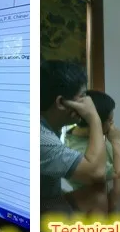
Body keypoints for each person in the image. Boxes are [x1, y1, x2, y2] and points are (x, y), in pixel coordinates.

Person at [40, 60, 108, 199]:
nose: (89, 103)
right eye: (82, 96)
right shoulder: (40, 137)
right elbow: (96, 173)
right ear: (61, 103)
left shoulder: (48, 129)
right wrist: (94, 117)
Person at [63, 90, 120, 189]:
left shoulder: (92, 138)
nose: (112, 125)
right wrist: (116, 142)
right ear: (95, 122)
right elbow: (119, 178)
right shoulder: (76, 151)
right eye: (110, 120)